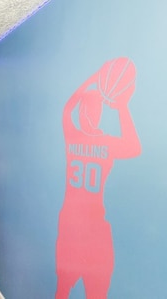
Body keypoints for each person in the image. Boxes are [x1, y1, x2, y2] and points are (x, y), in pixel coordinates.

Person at [56, 57, 141, 298]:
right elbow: (134, 147)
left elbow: (66, 108)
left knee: (66, 289)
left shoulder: (73, 137)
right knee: (88, 291)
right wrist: (122, 105)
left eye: (89, 108)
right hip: (91, 226)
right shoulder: (106, 143)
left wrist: (95, 78)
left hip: (78, 225)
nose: (87, 112)